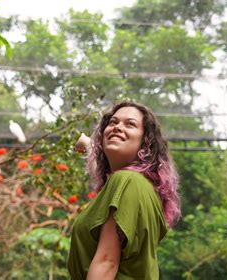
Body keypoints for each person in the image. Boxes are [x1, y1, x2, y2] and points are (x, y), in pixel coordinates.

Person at [68, 101, 181, 279]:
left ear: (146, 142)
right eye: (113, 122)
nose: (117, 127)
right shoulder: (139, 185)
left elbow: (107, 262)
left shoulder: (127, 181)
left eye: (130, 124)